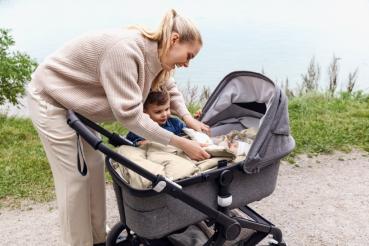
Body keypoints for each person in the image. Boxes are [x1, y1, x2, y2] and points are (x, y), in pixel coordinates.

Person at [27, 9, 210, 246]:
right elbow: (132, 117)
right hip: (51, 99)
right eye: (189, 55)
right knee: (73, 178)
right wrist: (180, 142)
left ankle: (98, 238)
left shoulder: (158, 54)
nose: (187, 63)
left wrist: (188, 119)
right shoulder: (125, 52)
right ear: (174, 39)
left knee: (93, 167)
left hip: (77, 103)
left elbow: (169, 87)